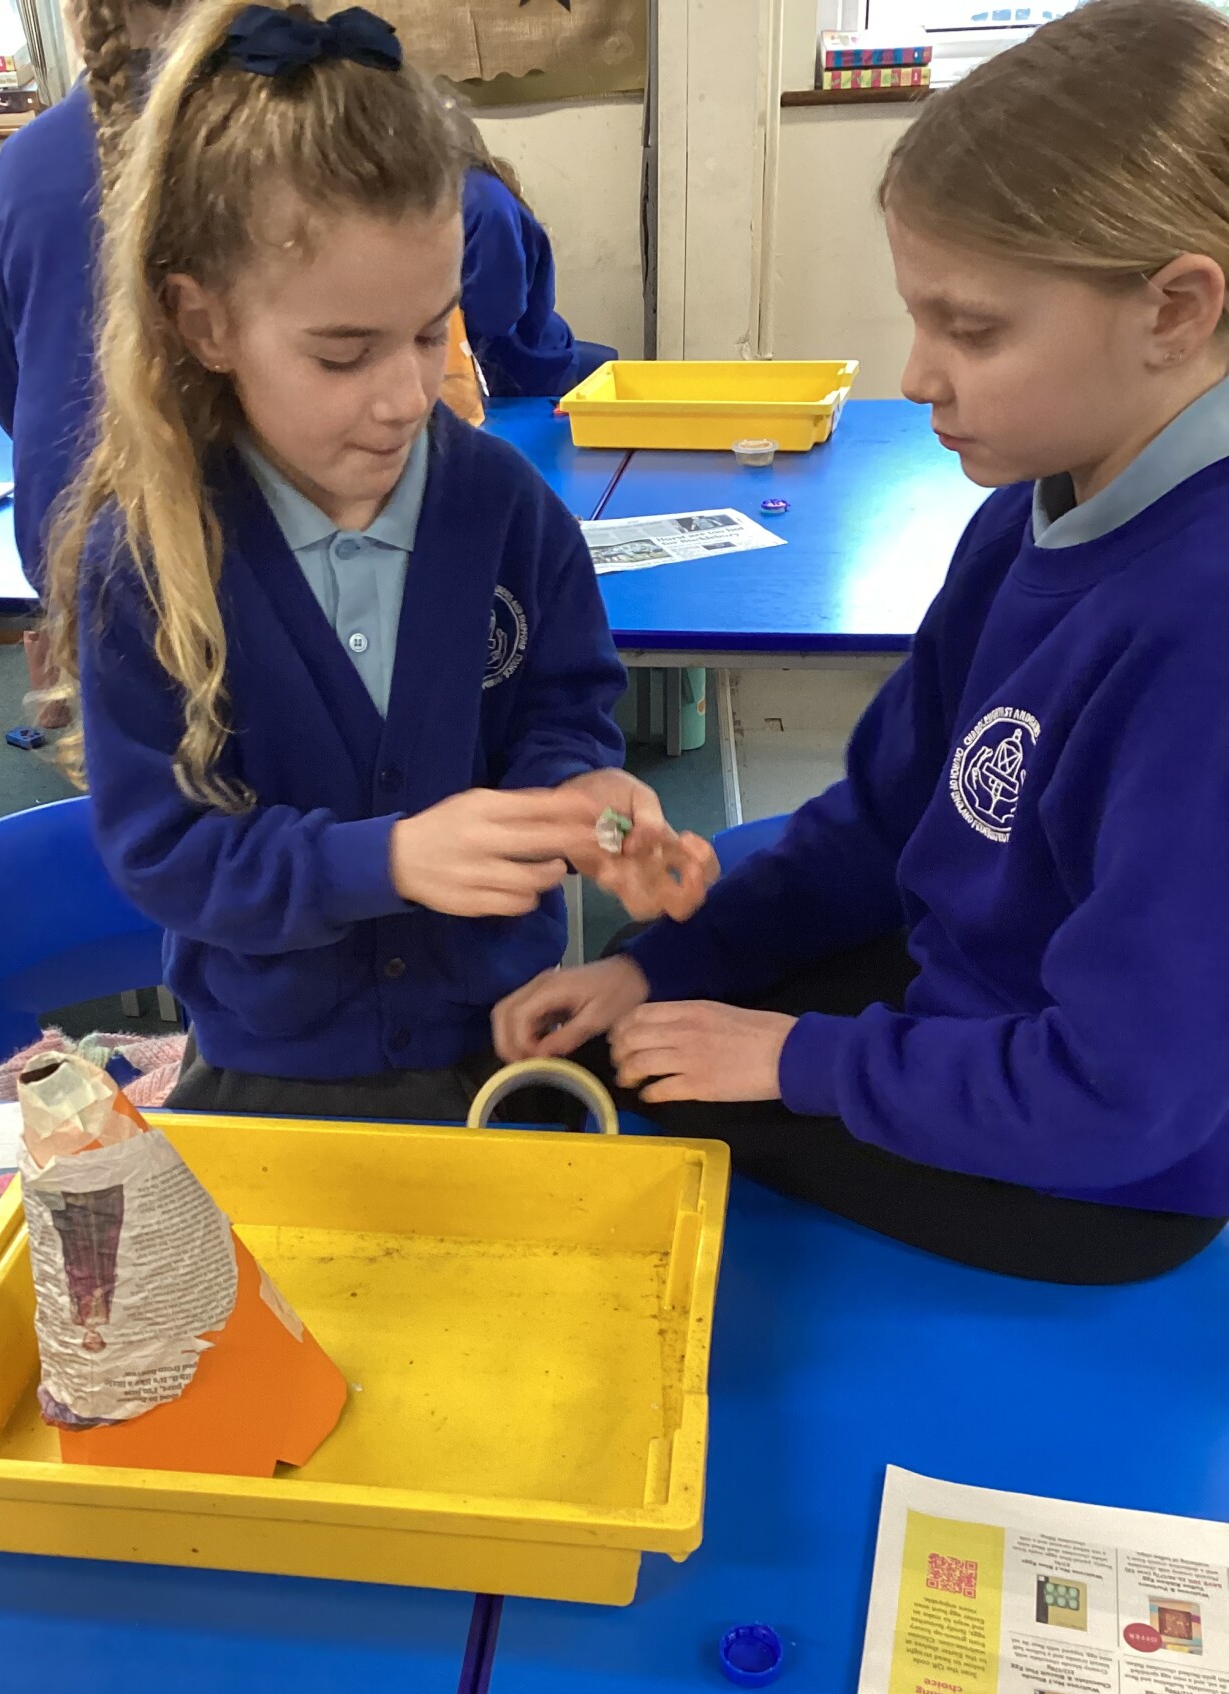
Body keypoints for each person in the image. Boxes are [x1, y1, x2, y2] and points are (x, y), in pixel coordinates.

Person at [495, 0, 1229, 1286]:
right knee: (632, 1000)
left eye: (973, 329)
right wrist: (675, 961)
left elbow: (1125, 1094)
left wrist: (797, 1057)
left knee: (600, 1110)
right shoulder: (1029, 507)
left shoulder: (1199, 633)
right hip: (982, 1006)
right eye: (920, 318)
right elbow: (888, 818)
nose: (918, 375)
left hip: (1099, 1169)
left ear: (1174, 309)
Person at [47, 0, 714, 1123]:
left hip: (498, 1040)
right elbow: (167, 851)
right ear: (204, 323)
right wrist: (386, 861)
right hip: (275, 1070)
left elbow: (564, 713)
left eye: (429, 332)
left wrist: (584, 804)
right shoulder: (151, 558)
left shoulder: (505, 509)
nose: (406, 396)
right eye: (343, 354)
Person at [0, 0, 191, 705]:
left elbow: (1, 377)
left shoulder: (22, 161)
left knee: (118, 740)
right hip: (207, 517)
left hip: (66, 522)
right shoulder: (249, 131)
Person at [448, 107, 616, 400]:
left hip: (518, 371)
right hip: (507, 355)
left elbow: (492, 317)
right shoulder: (468, 195)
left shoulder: (484, 205)